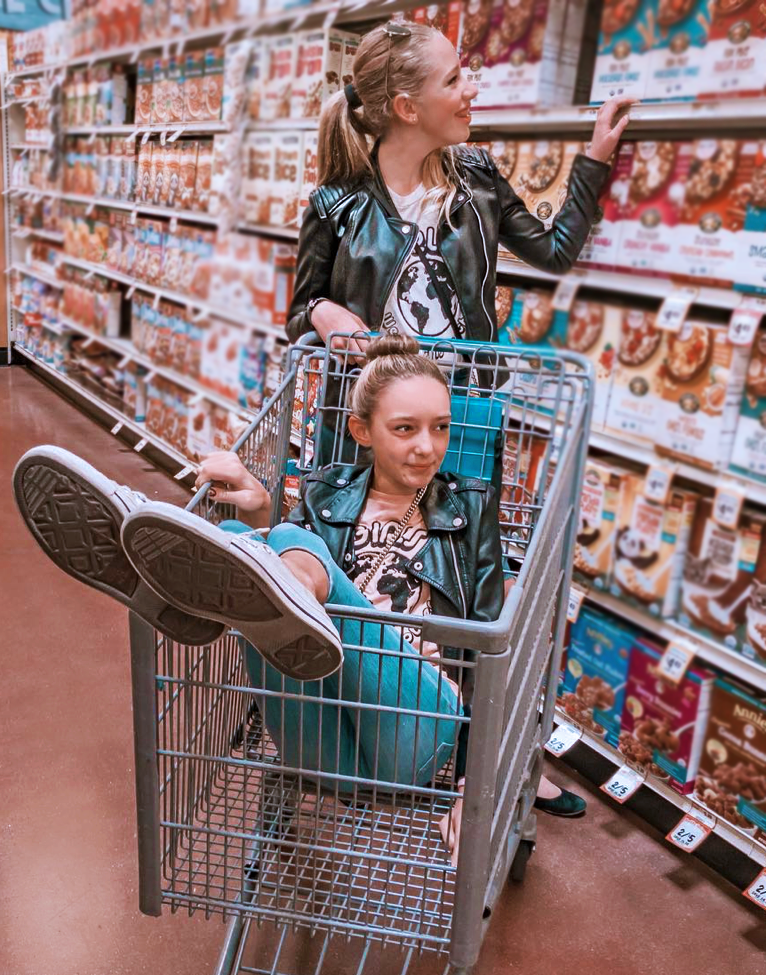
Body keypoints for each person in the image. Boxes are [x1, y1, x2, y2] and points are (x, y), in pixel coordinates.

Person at [287, 19, 631, 814]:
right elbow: (300, 307)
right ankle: (357, 735)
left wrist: (594, 161)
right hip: (368, 422)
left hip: (464, 416)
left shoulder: (476, 176)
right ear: (406, 105)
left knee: (470, 590)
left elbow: (552, 252)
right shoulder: (337, 204)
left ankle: (487, 758)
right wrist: (328, 313)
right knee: (360, 580)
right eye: (456, 78)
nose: (471, 88)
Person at [13, 334, 508, 863]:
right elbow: (284, 561)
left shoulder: (468, 509)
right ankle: (183, 560)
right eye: (405, 428)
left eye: (440, 428)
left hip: (414, 726)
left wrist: (470, 786)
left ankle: (167, 583)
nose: (427, 447)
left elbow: (487, 656)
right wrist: (260, 505)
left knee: (284, 563)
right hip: (322, 731)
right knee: (280, 573)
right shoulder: (325, 492)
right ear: (361, 430)